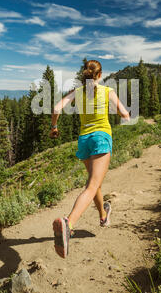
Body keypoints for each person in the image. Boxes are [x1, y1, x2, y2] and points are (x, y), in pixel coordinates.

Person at [50, 60, 130, 258]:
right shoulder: (107, 91)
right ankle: (68, 224)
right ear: (100, 75)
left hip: (84, 141)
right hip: (101, 138)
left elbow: (56, 108)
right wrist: (125, 118)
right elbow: (125, 114)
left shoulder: (77, 92)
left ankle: (103, 216)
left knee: (95, 183)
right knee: (92, 186)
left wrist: (54, 127)